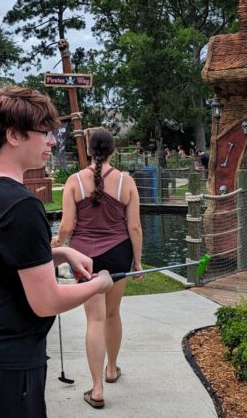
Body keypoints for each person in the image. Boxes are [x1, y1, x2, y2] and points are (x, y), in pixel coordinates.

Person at [0, 86, 113, 418]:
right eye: (45, 133)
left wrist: (61, 254)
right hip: (9, 356)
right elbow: (47, 302)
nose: (53, 141)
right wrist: (99, 285)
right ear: (14, 135)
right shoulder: (21, 205)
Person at [53, 127, 143, 409]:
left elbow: (66, 226)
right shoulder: (126, 181)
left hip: (84, 257)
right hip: (118, 254)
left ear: (90, 150)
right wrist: (137, 262)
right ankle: (112, 369)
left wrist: (57, 244)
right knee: (113, 313)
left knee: (95, 319)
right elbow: (135, 227)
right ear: (113, 150)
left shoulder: (74, 181)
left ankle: (97, 389)